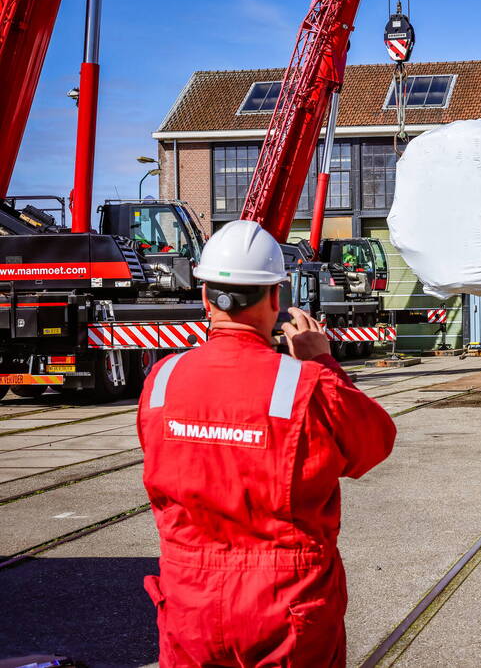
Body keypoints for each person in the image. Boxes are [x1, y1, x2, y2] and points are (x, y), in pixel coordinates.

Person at [136, 220, 396, 666]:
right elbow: (373, 444)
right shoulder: (306, 384)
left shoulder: (163, 380)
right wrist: (323, 363)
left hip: (189, 602)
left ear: (204, 297)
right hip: (284, 608)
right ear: (276, 297)